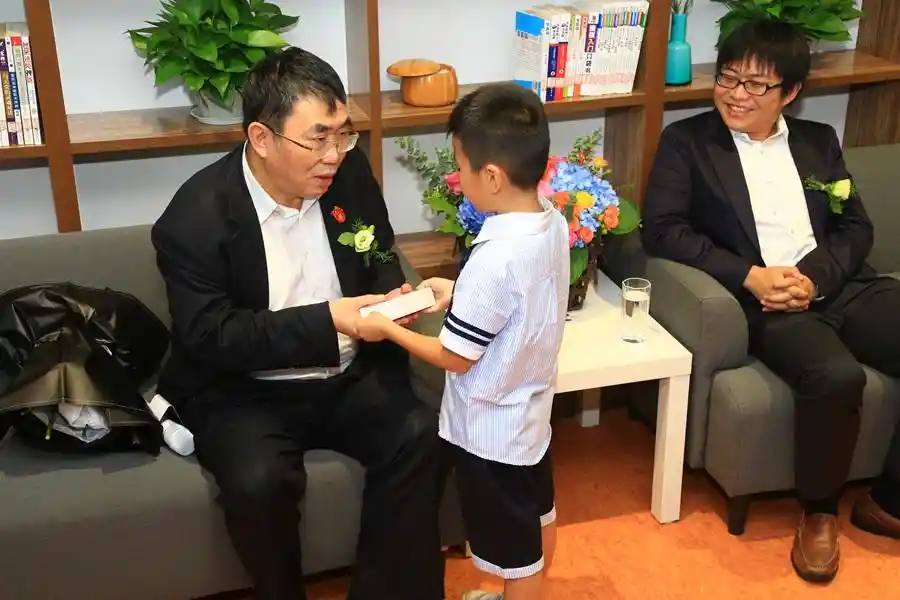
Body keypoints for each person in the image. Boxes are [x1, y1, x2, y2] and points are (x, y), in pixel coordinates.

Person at [150, 47, 445, 600]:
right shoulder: (195, 215)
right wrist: (329, 320)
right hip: (245, 389)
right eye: (318, 138)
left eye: (343, 134)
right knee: (257, 480)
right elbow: (210, 335)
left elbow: (379, 252)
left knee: (420, 433)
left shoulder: (349, 175)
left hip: (350, 374)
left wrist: (394, 297)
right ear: (261, 138)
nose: (334, 155)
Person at [640, 19, 900, 583]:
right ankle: (821, 513)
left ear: (791, 92)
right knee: (835, 377)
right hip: (764, 300)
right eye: (728, 77)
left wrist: (816, 278)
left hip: (837, 284)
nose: (737, 94)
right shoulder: (688, 142)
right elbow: (663, 230)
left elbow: (855, 226)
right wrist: (750, 276)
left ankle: (889, 503)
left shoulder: (818, 141)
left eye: (756, 85)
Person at [356, 82, 570, 600]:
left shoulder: (494, 258)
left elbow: (453, 356)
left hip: (491, 434)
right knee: (537, 515)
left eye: (460, 166)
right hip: (531, 415)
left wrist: (387, 328)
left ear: (491, 176)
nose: (457, 177)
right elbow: (522, 302)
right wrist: (455, 292)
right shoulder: (550, 222)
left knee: (514, 554)